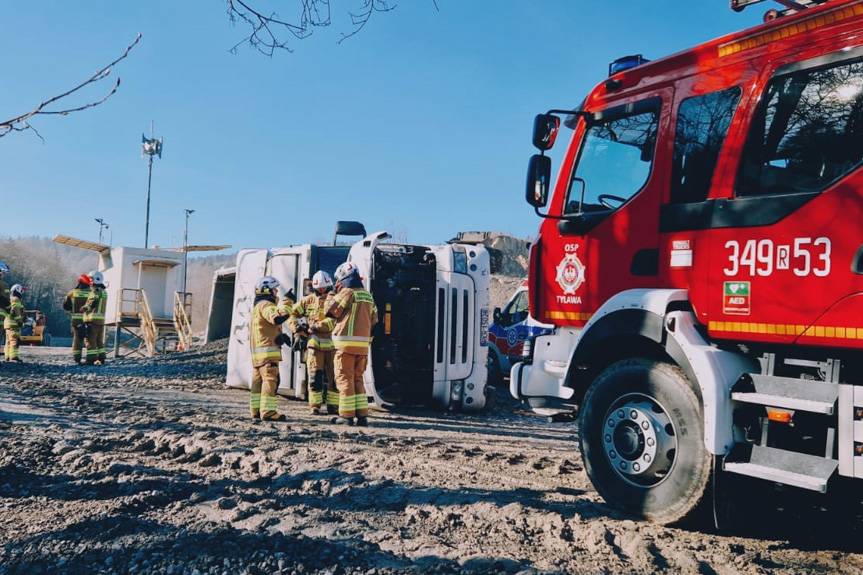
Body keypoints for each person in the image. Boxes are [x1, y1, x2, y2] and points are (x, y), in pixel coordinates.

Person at [326, 262, 378, 427]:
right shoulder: (368, 296)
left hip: (345, 346)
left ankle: (346, 416)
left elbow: (330, 310)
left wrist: (331, 293)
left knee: (344, 379)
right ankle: (362, 416)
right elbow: (375, 320)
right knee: (358, 380)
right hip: (362, 348)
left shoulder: (347, 292)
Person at [290, 271, 338, 415]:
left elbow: (334, 320)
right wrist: (298, 330)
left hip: (333, 346)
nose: (322, 291)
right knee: (314, 377)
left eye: (325, 288)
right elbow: (292, 313)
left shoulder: (335, 299)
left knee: (335, 378)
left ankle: (333, 406)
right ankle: (314, 406)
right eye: (319, 289)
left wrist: (315, 326)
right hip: (314, 346)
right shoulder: (308, 300)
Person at [249, 276, 295, 421]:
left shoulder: (257, 307)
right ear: (267, 290)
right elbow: (277, 318)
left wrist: (280, 337)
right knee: (270, 381)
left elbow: (265, 329)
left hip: (258, 357)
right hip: (268, 355)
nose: (276, 292)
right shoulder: (266, 305)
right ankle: (268, 412)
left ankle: (256, 411)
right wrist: (288, 301)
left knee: (257, 384)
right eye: (274, 290)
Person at [63, 273, 93, 365]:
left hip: (76, 320)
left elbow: (65, 306)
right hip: (89, 319)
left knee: (77, 339)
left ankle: (77, 358)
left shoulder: (72, 293)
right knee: (90, 338)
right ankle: (90, 358)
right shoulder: (92, 293)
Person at [81, 270, 108, 365]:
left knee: (90, 340)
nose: (89, 282)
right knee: (99, 341)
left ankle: (91, 359)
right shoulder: (104, 291)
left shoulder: (95, 291)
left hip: (92, 320)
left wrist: (84, 308)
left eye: (90, 279)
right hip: (100, 320)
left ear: (95, 280)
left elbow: (92, 303)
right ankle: (101, 358)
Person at [4, 284, 25, 362]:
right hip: (14, 324)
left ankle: (7, 356)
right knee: (14, 340)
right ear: (17, 290)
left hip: (7, 324)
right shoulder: (16, 299)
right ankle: (14, 356)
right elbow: (15, 310)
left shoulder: (9, 299)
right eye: (21, 290)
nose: (22, 292)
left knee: (8, 341)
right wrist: (19, 321)